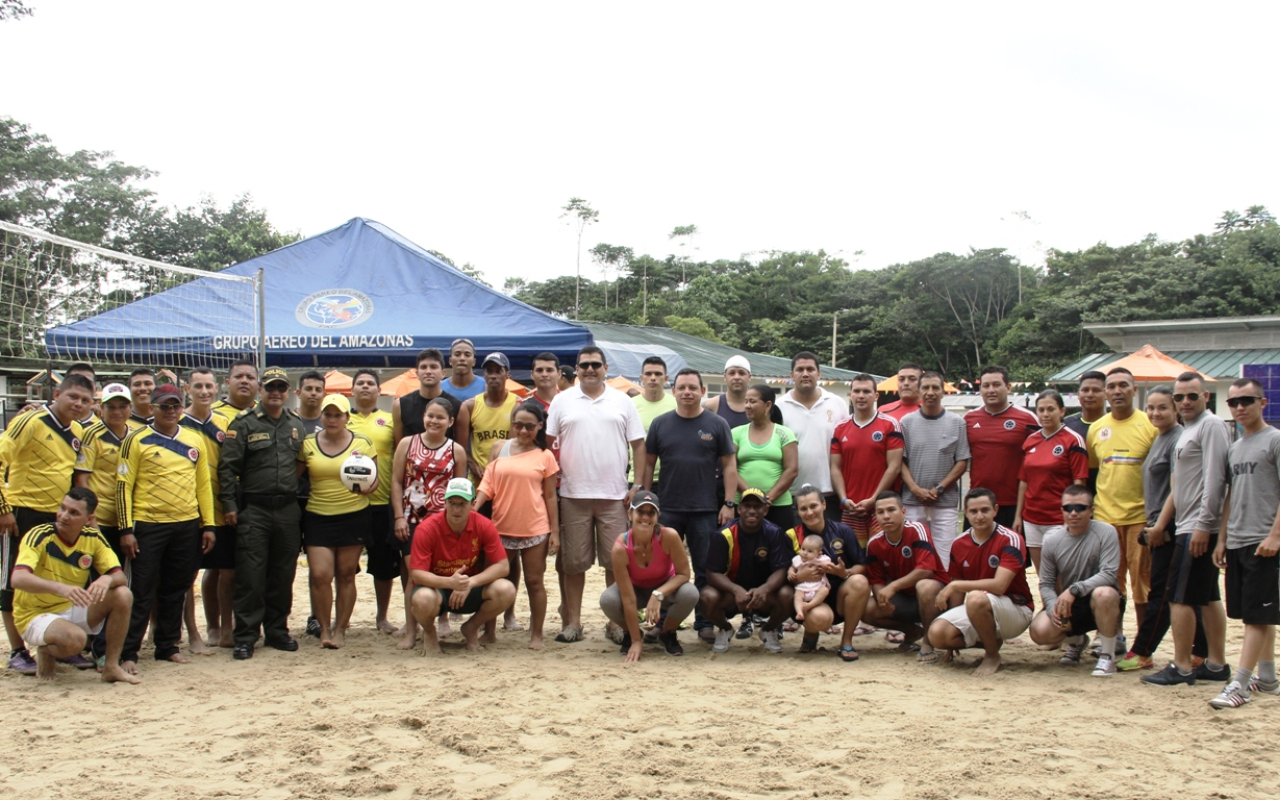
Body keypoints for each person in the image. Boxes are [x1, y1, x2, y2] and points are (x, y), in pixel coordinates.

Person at [545, 346, 645, 643]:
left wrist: (637, 485)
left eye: (596, 364)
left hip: (615, 496)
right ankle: (573, 623)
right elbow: (548, 445)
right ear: (576, 368)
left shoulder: (622, 401)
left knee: (616, 563)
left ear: (606, 368)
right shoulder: (561, 401)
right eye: (584, 365)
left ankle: (615, 623)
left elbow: (638, 444)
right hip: (573, 495)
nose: (590, 369)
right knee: (573, 563)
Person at [117, 384, 216, 674]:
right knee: (141, 589)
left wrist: (208, 524)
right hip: (148, 524)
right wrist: (126, 529)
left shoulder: (194, 440)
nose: (170, 411)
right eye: (164, 406)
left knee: (176, 588)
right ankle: (128, 651)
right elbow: (123, 486)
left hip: (186, 524)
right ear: (152, 409)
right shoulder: (136, 440)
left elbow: (203, 486)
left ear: (181, 408)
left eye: (175, 406)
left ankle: (167, 646)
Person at [1142, 371, 1232, 686]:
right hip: (1188, 523)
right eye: (1179, 397)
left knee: (1178, 598)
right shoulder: (1189, 429)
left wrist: (1204, 526)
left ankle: (1181, 666)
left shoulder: (1211, 426)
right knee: (1208, 597)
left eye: (1192, 396)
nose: (1185, 402)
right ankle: (1216, 663)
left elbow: (1216, 479)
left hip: (1197, 525)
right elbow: (1179, 485)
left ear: (1206, 396)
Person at [1, 373, 94, 675]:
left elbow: (77, 476)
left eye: (85, 400)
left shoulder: (78, 431)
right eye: (73, 397)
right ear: (56, 394)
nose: (78, 404)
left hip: (57, 517)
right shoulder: (30, 421)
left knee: (55, 580)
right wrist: (4, 509)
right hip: (21, 513)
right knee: (13, 581)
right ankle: (17, 651)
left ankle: (60, 646)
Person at [641, 368, 738, 644]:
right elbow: (648, 464)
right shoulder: (660, 424)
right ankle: (661, 622)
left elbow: (730, 466)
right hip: (668, 508)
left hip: (704, 509)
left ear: (702, 391)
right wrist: (647, 502)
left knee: (705, 568)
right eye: (682, 387)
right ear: (673, 391)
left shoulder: (717, 424)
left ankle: (704, 622)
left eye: (693, 388)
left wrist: (729, 503)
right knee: (664, 569)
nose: (687, 392)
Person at [218, 366, 309, 660]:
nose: (276, 392)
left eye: (281, 387)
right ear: (260, 390)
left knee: (283, 574)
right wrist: (230, 506)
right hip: (254, 510)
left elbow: (302, 463)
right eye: (270, 387)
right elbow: (227, 468)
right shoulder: (243, 423)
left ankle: (277, 631)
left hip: (287, 510)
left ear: (287, 392)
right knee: (251, 576)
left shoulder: (296, 424)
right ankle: (245, 636)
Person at [10, 488, 138, 684]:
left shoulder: (93, 538)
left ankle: (111, 667)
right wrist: (60, 588)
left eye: (74, 512)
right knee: (76, 640)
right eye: (62, 508)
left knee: (123, 594)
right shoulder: (40, 535)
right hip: (34, 614)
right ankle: (46, 650)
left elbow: (119, 575)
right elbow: (18, 578)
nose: (64, 516)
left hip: (70, 607)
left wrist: (107, 579)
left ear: (89, 519)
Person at [1119, 387, 1207, 671]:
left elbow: (1178, 488)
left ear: (1175, 409)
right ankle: (1201, 650)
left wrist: (1161, 527)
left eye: (1162, 407)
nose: (1155, 413)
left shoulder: (1178, 439)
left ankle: (1142, 651)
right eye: (1151, 408)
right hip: (1158, 524)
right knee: (1184, 591)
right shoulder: (1160, 437)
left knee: (1163, 592)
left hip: (1171, 526)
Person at [1209, 378, 1280, 708]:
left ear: (1262, 403)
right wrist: (1222, 538)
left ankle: (1239, 683)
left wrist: (1275, 535)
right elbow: (1230, 495)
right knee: (1255, 613)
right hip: (1238, 539)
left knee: (1257, 616)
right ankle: (1266, 677)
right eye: (1233, 402)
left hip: (1262, 539)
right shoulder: (1236, 447)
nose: (1239, 407)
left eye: (1246, 401)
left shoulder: (1274, 440)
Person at [475, 402, 560, 649]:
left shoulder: (545, 456)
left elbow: (550, 496)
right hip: (500, 527)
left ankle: (537, 634)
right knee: (493, 581)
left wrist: (555, 531)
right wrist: (474, 506)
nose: (523, 431)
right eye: (518, 425)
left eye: (529, 426)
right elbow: (487, 484)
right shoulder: (499, 448)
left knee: (535, 581)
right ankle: (489, 631)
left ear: (540, 426)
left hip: (535, 528)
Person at [297, 394, 377, 649]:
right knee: (320, 575)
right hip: (318, 515)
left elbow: (374, 478)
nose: (332, 420)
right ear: (322, 417)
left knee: (346, 574)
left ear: (346, 417)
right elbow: (294, 476)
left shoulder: (362, 442)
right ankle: (324, 628)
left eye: (337, 415)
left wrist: (369, 487)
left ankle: (340, 629)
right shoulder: (308, 443)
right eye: (328, 415)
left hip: (353, 515)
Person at [927, 488, 1034, 677]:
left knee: (976, 597)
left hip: (1016, 608)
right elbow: (958, 591)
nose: (979, 516)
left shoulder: (1011, 538)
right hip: (981, 608)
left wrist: (955, 585)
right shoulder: (959, 543)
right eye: (974, 511)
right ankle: (990, 640)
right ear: (966, 513)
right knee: (937, 634)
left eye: (985, 510)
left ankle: (992, 655)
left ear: (995, 510)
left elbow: (1000, 586)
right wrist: (953, 626)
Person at [390, 396, 467, 649]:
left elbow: (459, 491)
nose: (434, 421)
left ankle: (439, 621)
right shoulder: (407, 443)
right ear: (424, 417)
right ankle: (411, 631)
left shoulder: (456, 450)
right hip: (412, 519)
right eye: (430, 416)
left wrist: (457, 524)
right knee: (415, 576)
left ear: (450, 421)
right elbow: (396, 481)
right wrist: (399, 516)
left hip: (443, 522)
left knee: (441, 573)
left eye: (440, 417)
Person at [1087, 366, 1156, 645]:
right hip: (1106, 518)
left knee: (1142, 584)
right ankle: (1111, 636)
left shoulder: (1150, 425)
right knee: (1110, 582)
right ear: (1106, 392)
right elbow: (1094, 470)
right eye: (1112, 386)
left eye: (1123, 385)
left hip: (1140, 517)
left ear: (1134, 390)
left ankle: (1144, 644)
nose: (1117, 391)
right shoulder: (1096, 429)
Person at [408, 478, 515, 654]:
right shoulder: (426, 528)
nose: (456, 509)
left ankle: (471, 627)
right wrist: (449, 583)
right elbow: (417, 574)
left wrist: (469, 583)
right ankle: (429, 632)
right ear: (444, 503)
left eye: (462, 504)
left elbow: (503, 566)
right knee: (422, 599)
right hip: (437, 589)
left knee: (506, 589)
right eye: (452, 503)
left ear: (473, 504)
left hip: (468, 588)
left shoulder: (484, 524)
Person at [1027, 486, 1124, 677]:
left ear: (1091, 510)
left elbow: (1109, 574)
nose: (1073, 513)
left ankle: (1107, 655)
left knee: (1104, 594)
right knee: (1039, 631)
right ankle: (1077, 641)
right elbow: (1046, 583)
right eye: (1067, 508)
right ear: (1061, 510)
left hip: (1102, 599)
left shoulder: (1106, 532)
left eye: (1080, 508)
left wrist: (1074, 590)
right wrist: (1053, 608)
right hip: (1070, 605)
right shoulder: (1052, 540)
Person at [599, 490, 697, 660]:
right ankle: (631, 633)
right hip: (634, 589)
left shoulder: (669, 536)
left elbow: (684, 574)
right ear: (630, 514)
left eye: (651, 512)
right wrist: (636, 641)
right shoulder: (620, 548)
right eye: (640, 511)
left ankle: (667, 632)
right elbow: (628, 598)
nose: (645, 517)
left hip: (664, 586)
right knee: (608, 600)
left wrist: (658, 593)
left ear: (657, 517)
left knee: (690, 593)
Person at [701, 489, 795, 653]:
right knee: (707, 596)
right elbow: (712, 573)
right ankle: (725, 628)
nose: (752, 511)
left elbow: (782, 569)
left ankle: (768, 629)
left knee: (788, 594)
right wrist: (735, 590)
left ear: (765, 510)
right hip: (732, 595)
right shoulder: (723, 534)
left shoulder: (775, 533)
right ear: (739, 509)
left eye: (757, 506)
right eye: (747, 506)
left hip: (764, 595)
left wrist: (765, 589)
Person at [860, 491, 949, 662]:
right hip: (906, 599)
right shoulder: (874, 544)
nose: (886, 516)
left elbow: (926, 570)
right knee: (866, 608)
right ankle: (912, 632)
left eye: (891, 510)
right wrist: (882, 599)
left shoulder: (917, 530)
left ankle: (928, 642)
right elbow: (876, 580)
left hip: (936, 598)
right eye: (880, 512)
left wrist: (893, 587)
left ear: (903, 512)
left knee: (925, 585)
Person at [786, 484, 871, 660]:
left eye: (813, 506)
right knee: (819, 619)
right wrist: (799, 576)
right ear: (798, 512)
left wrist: (843, 572)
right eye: (803, 509)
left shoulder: (843, 530)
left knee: (860, 581)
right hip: (811, 599)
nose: (809, 512)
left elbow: (862, 565)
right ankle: (811, 634)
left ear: (824, 504)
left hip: (841, 596)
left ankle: (846, 642)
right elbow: (783, 575)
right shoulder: (792, 535)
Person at [180, 367, 231, 653]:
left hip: (220, 508)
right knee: (187, 576)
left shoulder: (224, 423)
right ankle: (193, 633)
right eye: (198, 386)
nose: (204, 391)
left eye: (208, 386)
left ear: (217, 389)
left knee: (225, 571)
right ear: (187, 389)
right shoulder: (177, 422)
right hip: (187, 510)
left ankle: (223, 628)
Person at [347, 369, 400, 636]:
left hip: (383, 503)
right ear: (352, 390)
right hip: (349, 505)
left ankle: (382, 617)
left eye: (370, 383)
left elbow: (401, 454)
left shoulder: (390, 420)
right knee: (346, 567)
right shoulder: (342, 420)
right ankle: (343, 618)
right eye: (360, 383)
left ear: (379, 391)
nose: (365, 387)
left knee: (383, 566)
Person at [899, 371, 970, 568]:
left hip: (944, 503)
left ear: (943, 391)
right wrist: (915, 489)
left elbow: (962, 462)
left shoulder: (957, 422)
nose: (930, 392)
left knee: (944, 557)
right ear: (919, 391)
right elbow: (900, 461)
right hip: (912, 502)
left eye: (935, 388)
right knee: (913, 556)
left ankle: (943, 588)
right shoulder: (906, 422)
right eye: (926, 388)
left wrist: (939, 488)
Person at [1013, 389, 1088, 572]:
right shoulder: (1030, 441)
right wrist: (1018, 516)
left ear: (1062, 411)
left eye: (1051, 409)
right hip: (1032, 519)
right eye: (1041, 410)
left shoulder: (1073, 440)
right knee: (1043, 575)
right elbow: (1024, 481)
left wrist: (1072, 514)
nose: (1045, 414)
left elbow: (1079, 482)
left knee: (1060, 573)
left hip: (1058, 519)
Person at [830, 373, 904, 548]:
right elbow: (835, 468)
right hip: (851, 508)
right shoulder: (840, 428)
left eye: (866, 391)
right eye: (856, 391)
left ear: (876, 396)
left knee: (883, 553)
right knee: (854, 554)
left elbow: (894, 467)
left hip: (882, 506)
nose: (861, 396)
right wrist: (843, 499)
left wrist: (874, 499)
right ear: (850, 395)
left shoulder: (890, 424)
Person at [964, 366, 1039, 529]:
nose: (991, 390)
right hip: (978, 503)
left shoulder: (1028, 419)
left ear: (1008, 387)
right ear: (980, 389)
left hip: (1014, 503)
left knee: (1013, 546)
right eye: (986, 385)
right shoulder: (969, 419)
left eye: (996, 384)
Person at [778, 352, 849, 520]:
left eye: (810, 369)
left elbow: (847, 446)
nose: (805, 374)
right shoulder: (779, 406)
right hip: (791, 494)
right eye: (800, 370)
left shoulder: (837, 403)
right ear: (791, 375)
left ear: (819, 374)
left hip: (830, 494)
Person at [733, 384, 798, 530]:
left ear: (768, 405)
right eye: (746, 401)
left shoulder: (784, 433)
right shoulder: (736, 433)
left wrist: (767, 499)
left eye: (752, 401)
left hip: (778, 506)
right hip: (744, 506)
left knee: (780, 543)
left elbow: (792, 470)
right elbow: (730, 468)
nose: (747, 406)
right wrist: (751, 497)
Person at [293, 370, 326, 639]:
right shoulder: (288, 421)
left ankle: (317, 617)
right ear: (298, 392)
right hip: (291, 501)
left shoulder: (330, 422)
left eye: (318, 389)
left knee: (319, 568)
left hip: (320, 501)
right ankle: (278, 619)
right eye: (309, 389)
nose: (313, 393)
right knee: (285, 565)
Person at [391, 348, 470, 448]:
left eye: (433, 367)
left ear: (443, 373)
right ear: (417, 374)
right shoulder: (400, 405)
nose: (428, 371)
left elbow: (461, 450)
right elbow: (399, 447)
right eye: (423, 367)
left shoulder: (459, 407)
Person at [464, 352, 520, 490]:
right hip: (478, 481)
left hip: (505, 480)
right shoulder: (470, 406)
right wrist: (473, 466)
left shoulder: (518, 405)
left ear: (507, 374)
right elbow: (460, 446)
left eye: (498, 371)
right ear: (484, 375)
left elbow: (517, 446)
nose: (493, 375)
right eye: (489, 371)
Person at [631, 356, 676, 493]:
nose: (653, 378)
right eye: (648, 374)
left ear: (666, 378)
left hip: (669, 479)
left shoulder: (677, 405)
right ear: (642, 378)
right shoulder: (630, 405)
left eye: (658, 374)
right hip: (637, 480)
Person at [1063, 370, 1107, 494]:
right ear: (1078, 394)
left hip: (1106, 497)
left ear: (1106, 393)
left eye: (1096, 390)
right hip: (1072, 496)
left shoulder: (1115, 425)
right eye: (1085, 390)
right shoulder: (1065, 425)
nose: (1090, 395)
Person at [703, 355, 751, 430]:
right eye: (732, 373)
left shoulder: (760, 407)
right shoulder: (711, 405)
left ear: (749, 377)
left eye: (741, 373)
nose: (737, 377)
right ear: (725, 377)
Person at [792, 534, 831, 621]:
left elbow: (828, 563)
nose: (805, 553)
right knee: (797, 596)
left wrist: (825, 565)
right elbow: (792, 567)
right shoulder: (798, 559)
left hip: (817, 588)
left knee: (824, 590)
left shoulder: (821, 559)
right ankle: (799, 612)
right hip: (803, 587)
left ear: (819, 554)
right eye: (803, 549)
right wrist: (790, 572)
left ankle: (810, 605)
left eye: (810, 551)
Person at [445, 337, 485, 402]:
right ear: (450, 361)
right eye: (457, 354)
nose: (462, 358)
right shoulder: (439, 388)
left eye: (467, 355)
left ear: (474, 362)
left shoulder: (486, 387)